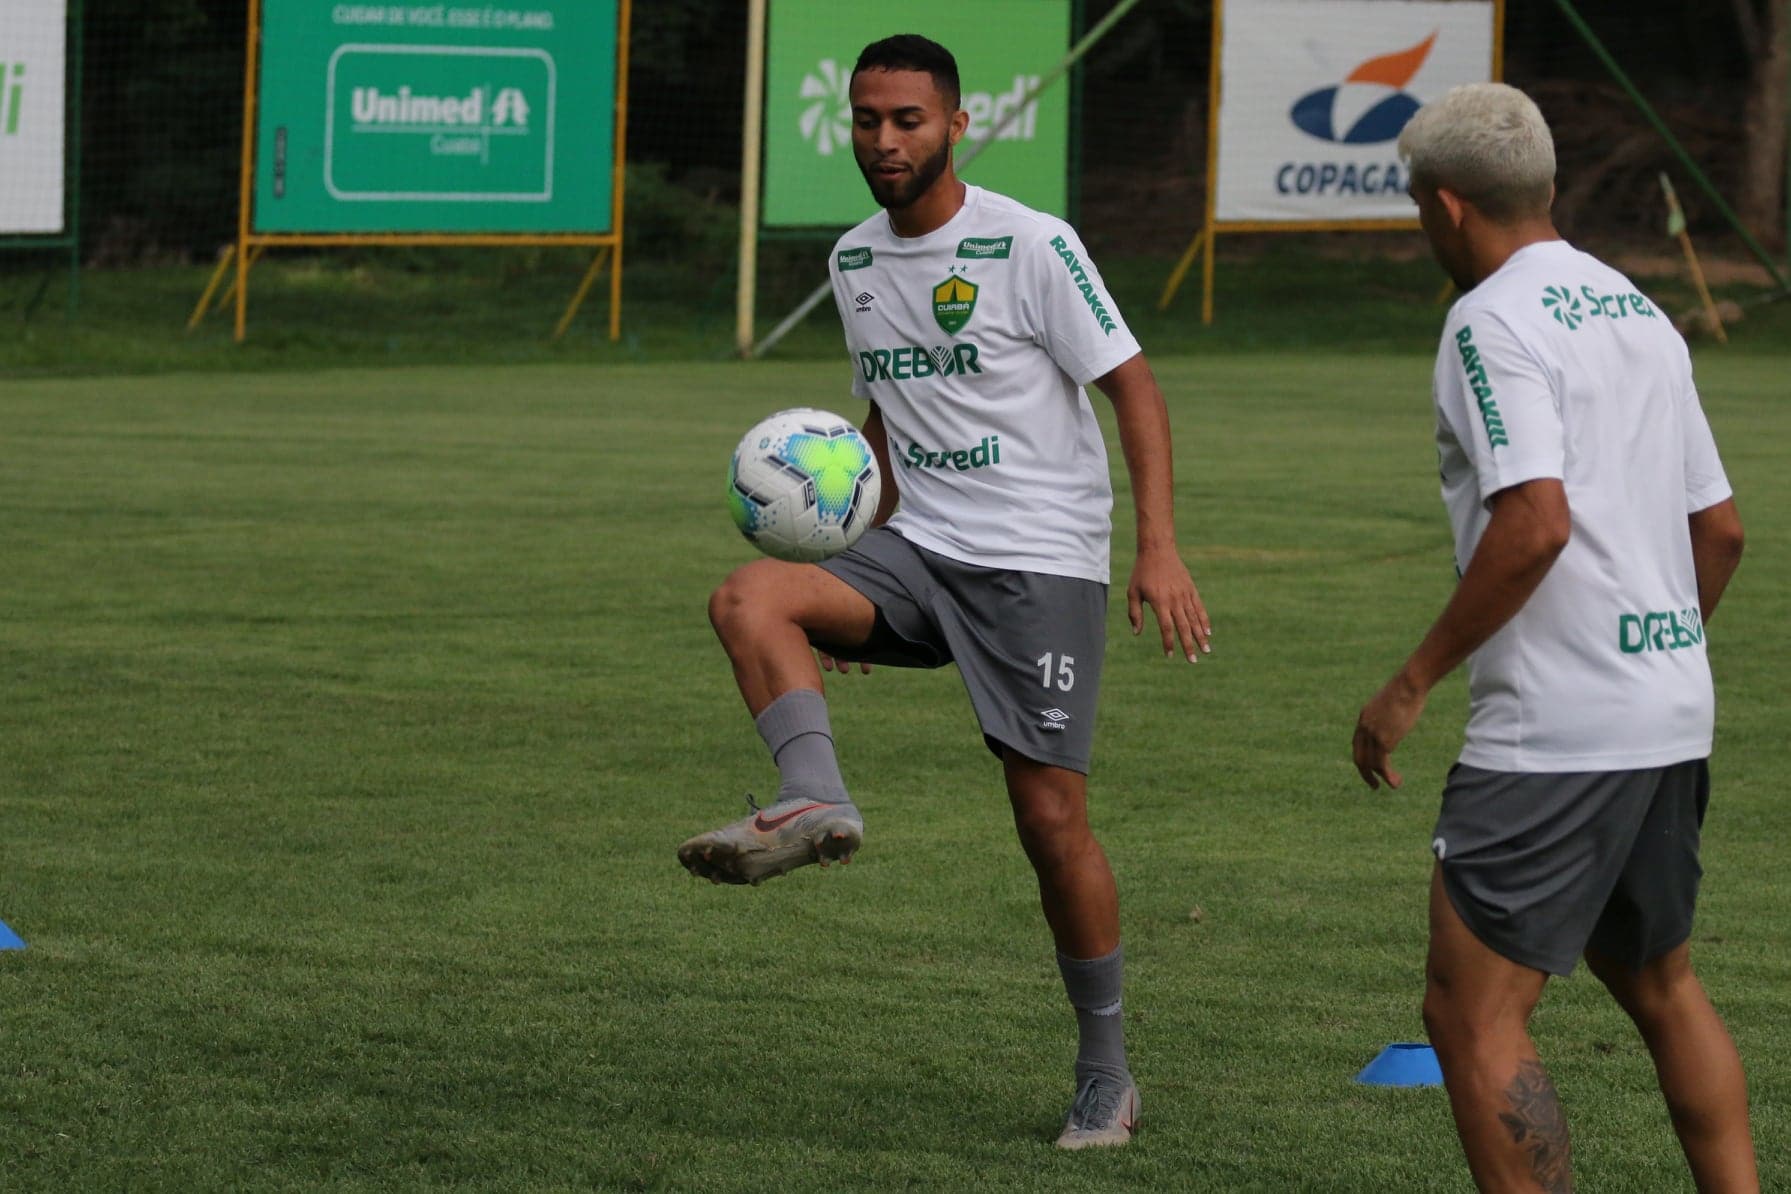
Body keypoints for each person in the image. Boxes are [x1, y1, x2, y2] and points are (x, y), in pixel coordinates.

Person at [677, 34, 1209, 1149]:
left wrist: (1157, 547)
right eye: (867, 118)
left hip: (1038, 561)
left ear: (956, 125)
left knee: (1048, 817)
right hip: (915, 547)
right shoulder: (855, 262)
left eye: (907, 119)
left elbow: (1136, 389)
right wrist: (848, 558)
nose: (883, 139)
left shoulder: (1029, 244)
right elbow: (882, 426)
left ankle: (1107, 1077)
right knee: (751, 598)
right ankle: (815, 800)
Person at [1352, 83, 1755, 1192]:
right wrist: (1647, 653)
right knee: (1661, 982)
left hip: (1556, 737)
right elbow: (1718, 531)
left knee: (1468, 1011)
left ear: (1444, 206)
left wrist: (1411, 681)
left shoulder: (1490, 318)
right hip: (1667, 710)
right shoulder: (1637, 310)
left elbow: (1533, 520)